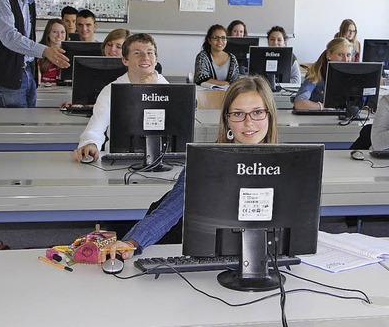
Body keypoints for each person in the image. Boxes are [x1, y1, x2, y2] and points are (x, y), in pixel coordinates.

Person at [97, 75, 279, 260]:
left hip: (264, 260)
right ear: (227, 121)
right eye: (238, 114)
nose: (249, 123)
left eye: (257, 112)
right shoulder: (206, 162)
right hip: (201, 260)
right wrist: (132, 242)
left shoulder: (290, 164)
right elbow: (169, 211)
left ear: (270, 115)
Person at [0, 0, 69, 108]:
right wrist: (45, 51)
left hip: (26, 72)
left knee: (27, 125)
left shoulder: (29, 0)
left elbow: (28, 36)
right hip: (6, 76)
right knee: (16, 127)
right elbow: (9, 37)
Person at [74, 33, 167, 162]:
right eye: (137, 53)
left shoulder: (167, 88)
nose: (145, 58)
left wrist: (153, 88)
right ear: (125, 60)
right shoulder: (111, 90)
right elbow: (96, 126)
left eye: (150, 53)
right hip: (119, 160)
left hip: (164, 160)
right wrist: (91, 143)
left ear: (156, 60)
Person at [292, 37, 352, 111]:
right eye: (340, 55)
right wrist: (324, 106)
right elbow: (299, 104)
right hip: (319, 120)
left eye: (348, 55)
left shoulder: (352, 76)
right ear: (329, 55)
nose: (345, 60)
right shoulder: (317, 75)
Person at [38, 19, 68, 85]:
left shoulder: (69, 52)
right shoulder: (39, 50)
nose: (59, 36)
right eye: (55, 32)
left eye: (62, 32)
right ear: (48, 33)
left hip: (63, 90)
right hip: (43, 90)